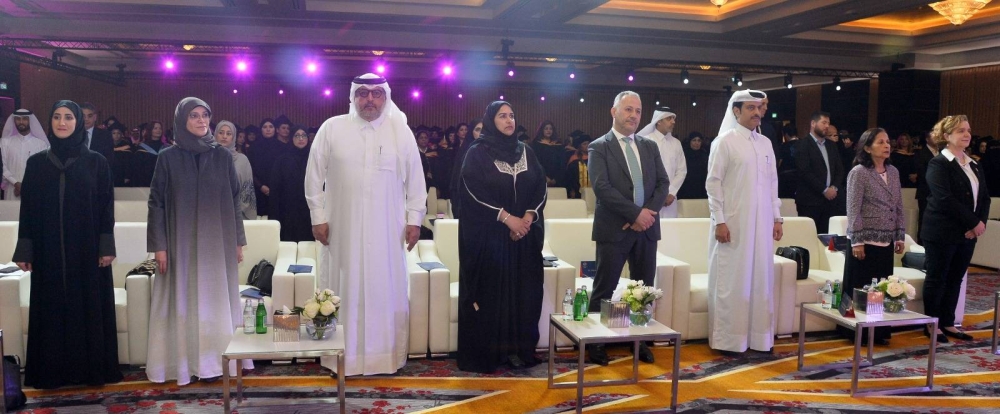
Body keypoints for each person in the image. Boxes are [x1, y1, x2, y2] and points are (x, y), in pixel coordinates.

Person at [305, 74, 426, 376]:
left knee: (384, 289)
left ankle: (384, 357)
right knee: (341, 288)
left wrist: (415, 220)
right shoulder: (332, 128)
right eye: (362, 93)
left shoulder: (401, 132)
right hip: (341, 229)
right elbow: (313, 177)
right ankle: (339, 356)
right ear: (352, 97)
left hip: (387, 230)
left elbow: (416, 180)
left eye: (375, 93)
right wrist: (318, 217)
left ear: (385, 97)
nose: (369, 99)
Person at [12, 100, 122, 389]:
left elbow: (106, 208)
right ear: (50, 122)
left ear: (78, 123)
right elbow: (28, 210)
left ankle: (89, 371)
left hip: (87, 252)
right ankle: (52, 372)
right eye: (57, 117)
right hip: (48, 251)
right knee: (50, 307)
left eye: (69, 117)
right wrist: (25, 248)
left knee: (87, 305)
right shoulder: (36, 164)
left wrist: (106, 246)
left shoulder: (96, 162)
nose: (63, 122)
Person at [145, 97, 251, 385]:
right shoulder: (167, 157)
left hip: (218, 241)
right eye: (194, 116)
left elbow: (234, 200)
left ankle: (216, 361)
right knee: (184, 300)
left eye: (205, 115)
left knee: (216, 299)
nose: (202, 121)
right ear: (182, 120)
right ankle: (185, 364)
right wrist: (160, 247)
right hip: (179, 244)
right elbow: (156, 204)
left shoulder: (223, 156)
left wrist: (238, 241)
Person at [456, 101, 546, 373]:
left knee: (524, 294)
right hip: (491, 239)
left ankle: (519, 350)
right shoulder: (477, 153)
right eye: (502, 116)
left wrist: (527, 220)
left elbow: (539, 187)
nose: (509, 120)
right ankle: (492, 354)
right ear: (490, 120)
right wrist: (508, 219)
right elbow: (472, 192)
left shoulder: (527, 151)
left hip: (524, 240)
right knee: (493, 295)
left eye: (512, 115)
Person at [587, 91, 670, 365]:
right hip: (615, 228)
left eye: (638, 110)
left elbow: (662, 183)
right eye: (628, 110)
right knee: (605, 287)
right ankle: (595, 342)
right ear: (614, 112)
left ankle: (639, 341)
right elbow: (601, 188)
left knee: (643, 288)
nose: (634, 115)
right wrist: (635, 214)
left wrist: (646, 215)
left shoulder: (648, 146)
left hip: (646, 229)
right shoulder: (599, 147)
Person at [706, 89, 783, 355]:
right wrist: (719, 221)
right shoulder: (724, 142)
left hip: (762, 226)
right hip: (733, 225)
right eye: (750, 108)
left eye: (759, 108)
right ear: (736, 111)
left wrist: (777, 217)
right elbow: (713, 184)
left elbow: (773, 183)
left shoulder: (765, 143)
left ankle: (759, 338)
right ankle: (729, 340)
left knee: (761, 279)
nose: (757, 113)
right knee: (733, 281)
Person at [921, 115, 990, 344]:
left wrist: (979, 224)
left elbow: (984, 199)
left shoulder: (974, 164)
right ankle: (932, 324)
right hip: (941, 231)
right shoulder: (938, 163)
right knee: (937, 278)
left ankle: (948, 321)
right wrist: (972, 223)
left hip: (967, 234)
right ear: (946, 135)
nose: (967, 134)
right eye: (961, 130)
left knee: (955, 279)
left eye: (968, 130)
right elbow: (944, 199)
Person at [840, 128, 905, 346]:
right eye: (880, 142)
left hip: (886, 240)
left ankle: (876, 330)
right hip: (864, 241)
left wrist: (900, 235)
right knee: (860, 287)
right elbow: (853, 208)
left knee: (879, 289)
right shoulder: (859, 172)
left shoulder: (894, 172)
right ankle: (854, 330)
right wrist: (856, 239)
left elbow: (898, 206)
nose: (887, 145)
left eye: (888, 141)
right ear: (867, 147)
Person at [794, 112, 844, 234]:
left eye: (828, 123)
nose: (827, 126)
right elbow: (804, 172)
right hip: (810, 201)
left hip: (831, 201)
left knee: (828, 237)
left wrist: (833, 187)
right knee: (809, 236)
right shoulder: (802, 145)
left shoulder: (832, 146)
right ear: (813, 123)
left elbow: (840, 169)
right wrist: (824, 189)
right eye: (824, 122)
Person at [637, 107, 686, 218]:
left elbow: (681, 171)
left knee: (670, 232)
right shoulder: (645, 141)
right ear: (658, 121)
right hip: (650, 198)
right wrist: (659, 195)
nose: (673, 122)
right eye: (669, 118)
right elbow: (643, 171)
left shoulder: (676, 143)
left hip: (670, 200)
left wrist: (671, 192)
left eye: (674, 118)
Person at [269, 125, 313, 241]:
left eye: (303, 135)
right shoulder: (282, 159)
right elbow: (275, 189)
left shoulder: (314, 159)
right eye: (297, 135)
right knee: (288, 246)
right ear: (292, 138)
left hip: (308, 211)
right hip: (287, 211)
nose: (301, 138)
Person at [1, 109, 49, 200]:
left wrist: (26, 185)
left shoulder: (41, 144)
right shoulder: (5, 142)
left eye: (25, 119)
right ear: (14, 121)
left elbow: (43, 169)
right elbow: (3, 166)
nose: (21, 122)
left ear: (30, 120)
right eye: (18, 119)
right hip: (12, 189)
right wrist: (16, 183)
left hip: (33, 189)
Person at [216, 120, 256, 220]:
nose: (224, 136)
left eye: (229, 134)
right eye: (221, 133)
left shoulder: (242, 160)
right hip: (212, 214)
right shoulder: (206, 158)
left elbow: (247, 190)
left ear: (233, 137)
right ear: (215, 135)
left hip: (237, 215)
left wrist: (235, 210)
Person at [450, 118, 483, 219]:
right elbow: (456, 181)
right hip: (468, 202)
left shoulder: (495, 152)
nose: (481, 133)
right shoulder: (466, 151)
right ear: (471, 132)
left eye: (484, 130)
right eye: (477, 130)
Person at [250, 118, 277, 216]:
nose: (268, 129)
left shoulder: (281, 148)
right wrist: (260, 186)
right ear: (261, 130)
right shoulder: (254, 148)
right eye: (265, 127)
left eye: (271, 127)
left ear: (275, 129)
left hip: (277, 191)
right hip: (258, 191)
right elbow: (250, 170)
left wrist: (275, 187)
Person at [914, 133, 939, 243]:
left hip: (939, 193)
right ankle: (921, 242)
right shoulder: (921, 153)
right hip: (926, 191)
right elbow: (922, 173)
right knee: (924, 217)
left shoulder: (942, 152)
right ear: (927, 139)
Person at [531, 120, 567, 189]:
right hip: (541, 178)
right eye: (546, 128)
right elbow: (535, 163)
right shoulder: (536, 145)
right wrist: (545, 177)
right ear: (542, 130)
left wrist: (555, 179)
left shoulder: (559, 145)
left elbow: (562, 164)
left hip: (557, 180)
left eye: (550, 129)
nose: (548, 131)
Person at [80, 102, 115, 169]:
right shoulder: (72, 135)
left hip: (98, 176)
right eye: (83, 116)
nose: (86, 119)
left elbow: (109, 160)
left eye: (89, 116)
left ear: (95, 117)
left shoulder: (105, 135)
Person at [678, 133, 709, 199]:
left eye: (699, 140)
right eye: (694, 140)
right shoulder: (683, 155)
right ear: (689, 141)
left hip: (701, 187)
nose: (696, 143)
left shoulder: (705, 155)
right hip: (686, 187)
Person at [563, 134, 592, 199]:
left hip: (592, 192)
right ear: (580, 147)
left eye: (588, 143)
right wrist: (571, 190)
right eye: (584, 144)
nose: (587, 146)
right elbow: (570, 177)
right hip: (577, 191)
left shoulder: (595, 158)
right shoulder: (574, 159)